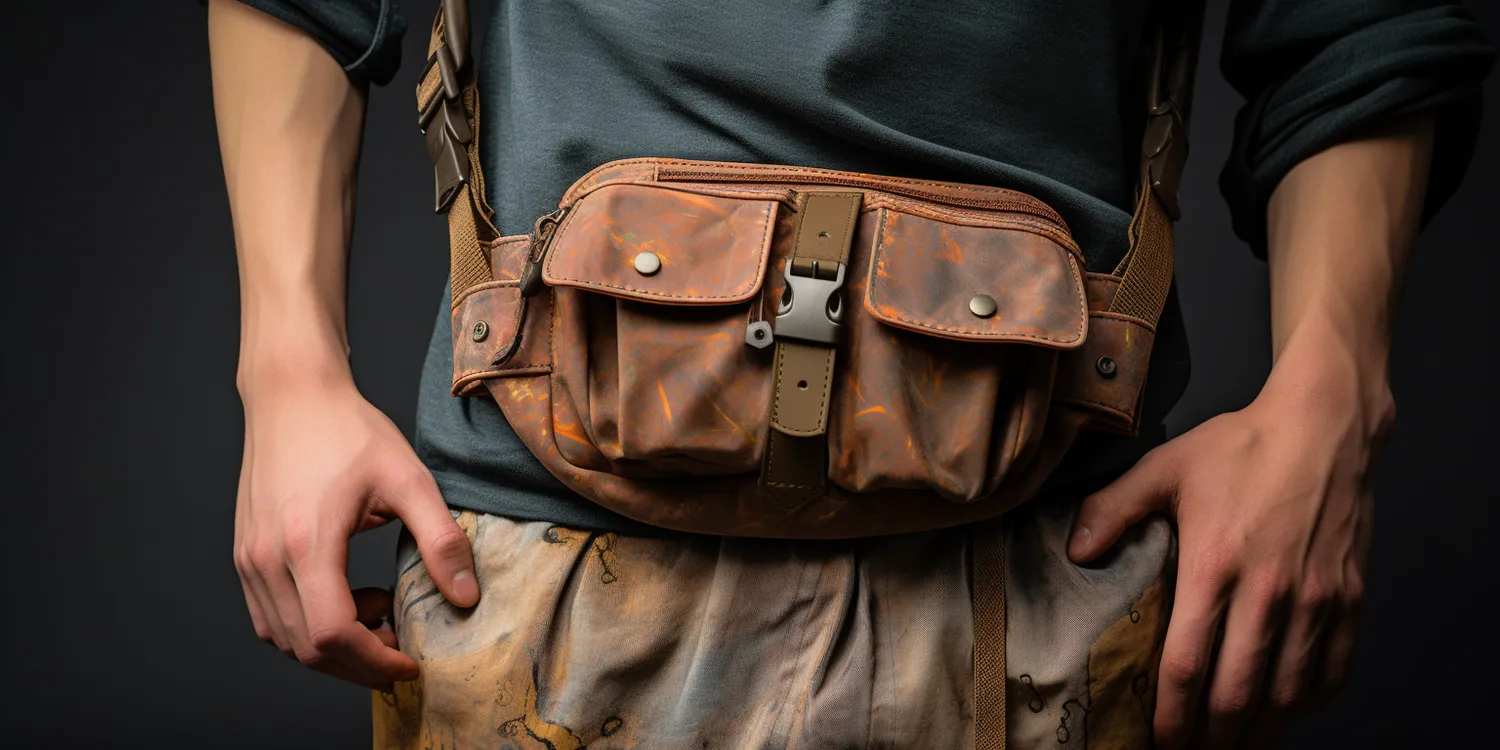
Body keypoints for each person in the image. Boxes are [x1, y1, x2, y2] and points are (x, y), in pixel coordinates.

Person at [207, 0, 1494, 747]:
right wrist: (289, 369)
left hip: (1048, 585)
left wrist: (1333, 401)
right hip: (539, 578)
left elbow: (1357, 23)